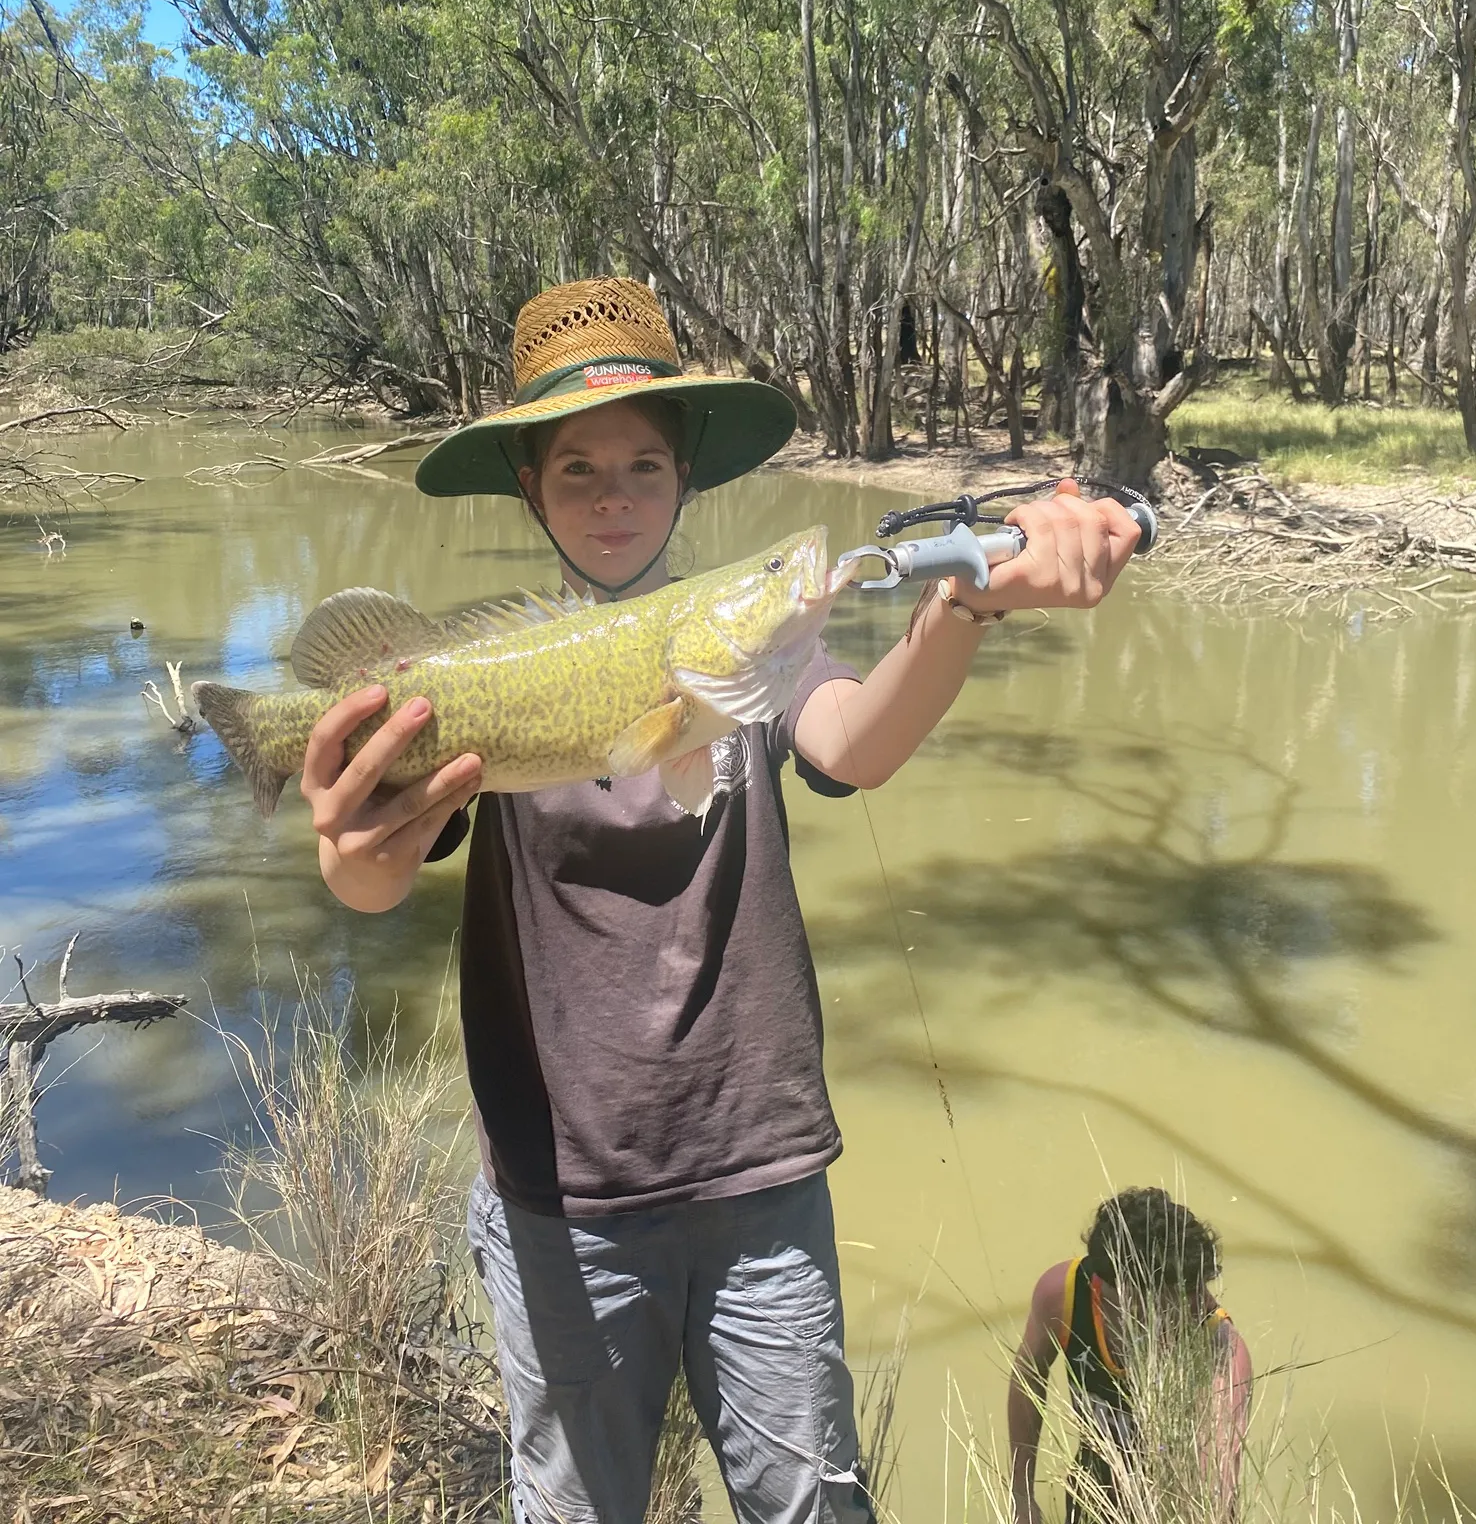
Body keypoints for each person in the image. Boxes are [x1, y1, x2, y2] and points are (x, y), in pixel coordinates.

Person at [299, 278, 1142, 1524]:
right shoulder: (495, 670)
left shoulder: (750, 651)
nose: (613, 493)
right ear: (530, 488)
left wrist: (963, 602)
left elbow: (854, 741)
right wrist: (349, 826)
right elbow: (367, 881)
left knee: (810, 1504)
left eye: (644, 463)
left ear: (684, 479)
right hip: (563, 1195)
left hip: (761, 1171)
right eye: (577, 468)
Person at [1008, 1188, 1253, 1524]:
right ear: (1122, 1292)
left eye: (1196, 1288)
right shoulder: (1064, 1294)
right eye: (1177, 1294)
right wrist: (1021, 1498)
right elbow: (1027, 1379)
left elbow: (1216, 1491)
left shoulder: (1219, 1349)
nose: (1197, 1302)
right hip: (1091, 1495)